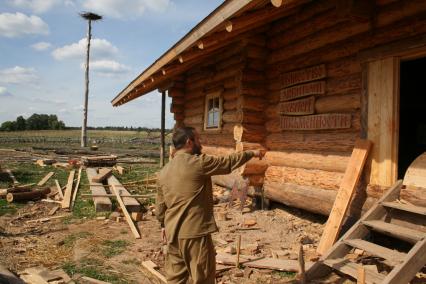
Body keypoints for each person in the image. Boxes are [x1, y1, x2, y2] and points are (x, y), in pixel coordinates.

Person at [156, 126, 265, 284]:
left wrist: (162, 225)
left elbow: (160, 206)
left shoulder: (163, 172)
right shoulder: (198, 163)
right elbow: (227, 163)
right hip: (195, 235)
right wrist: (251, 153)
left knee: (175, 280)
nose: (201, 143)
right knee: (204, 278)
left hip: (173, 235)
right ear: (189, 142)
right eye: (198, 139)